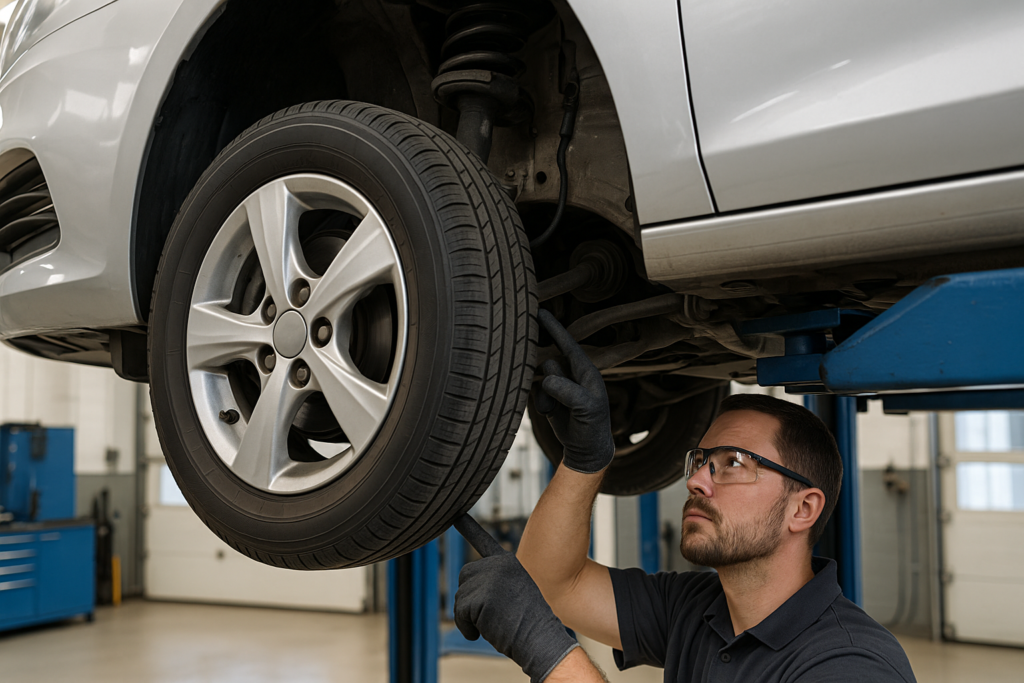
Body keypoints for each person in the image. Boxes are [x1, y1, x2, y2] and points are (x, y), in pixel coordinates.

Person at [453, 310, 917, 682]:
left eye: (733, 463)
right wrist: (583, 461)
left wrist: (551, 655)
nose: (697, 482)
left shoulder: (849, 665)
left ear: (803, 508)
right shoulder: (700, 608)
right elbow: (554, 584)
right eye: (702, 461)